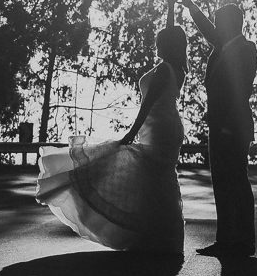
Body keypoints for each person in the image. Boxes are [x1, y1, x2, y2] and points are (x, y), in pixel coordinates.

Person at [35, 26, 188, 253]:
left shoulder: (165, 70)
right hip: (166, 126)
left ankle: (161, 238)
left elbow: (146, 106)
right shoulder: (176, 67)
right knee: (158, 179)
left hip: (159, 128)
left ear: (168, 45)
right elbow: (172, 31)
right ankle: (162, 237)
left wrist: (129, 135)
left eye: (160, 41)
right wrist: (171, 6)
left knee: (156, 178)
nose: (156, 45)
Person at [175, 0, 257, 256]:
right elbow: (208, 30)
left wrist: (225, 125)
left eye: (219, 22)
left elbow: (237, 90)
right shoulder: (223, 47)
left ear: (232, 24)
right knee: (221, 183)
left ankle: (244, 241)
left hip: (233, 127)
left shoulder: (245, 49)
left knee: (237, 181)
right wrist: (190, 6)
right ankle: (226, 241)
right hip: (218, 126)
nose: (215, 26)